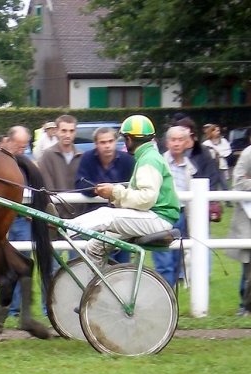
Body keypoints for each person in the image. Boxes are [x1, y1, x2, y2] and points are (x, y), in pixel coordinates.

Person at [68, 115, 180, 269]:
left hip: (157, 218)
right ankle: (98, 288)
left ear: (129, 139)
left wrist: (114, 192)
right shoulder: (148, 157)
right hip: (154, 217)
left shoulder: (149, 160)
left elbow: (146, 198)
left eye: (124, 138)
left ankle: (64, 228)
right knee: (95, 246)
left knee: (106, 215)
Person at [75, 127, 136, 264]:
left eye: (110, 141)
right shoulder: (87, 158)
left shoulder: (128, 161)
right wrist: (97, 190)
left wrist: (114, 192)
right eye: (103, 142)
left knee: (122, 264)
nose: (107, 145)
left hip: (122, 220)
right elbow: (79, 183)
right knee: (96, 262)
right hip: (95, 219)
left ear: (116, 142)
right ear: (96, 144)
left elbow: (134, 186)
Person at [152, 126, 196, 288]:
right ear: (167, 142)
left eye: (180, 140)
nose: (176, 143)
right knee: (164, 261)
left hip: (182, 216)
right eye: (173, 139)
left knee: (178, 260)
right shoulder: (159, 163)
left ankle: (171, 298)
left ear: (186, 143)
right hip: (162, 214)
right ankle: (165, 299)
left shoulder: (190, 167)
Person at [2, 126, 34, 316]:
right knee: (6, 264)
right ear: (9, 141)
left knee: (20, 261)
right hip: (6, 219)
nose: (22, 150)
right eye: (19, 146)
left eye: (25, 146)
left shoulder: (27, 163)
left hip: (22, 220)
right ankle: (13, 309)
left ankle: (19, 309)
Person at [37, 114, 86, 219]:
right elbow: (47, 188)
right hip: (55, 218)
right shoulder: (47, 156)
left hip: (80, 218)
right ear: (57, 131)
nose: (68, 135)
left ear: (75, 132)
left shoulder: (83, 157)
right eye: (64, 130)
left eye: (71, 131)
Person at [226, 144, 251, 316]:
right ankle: (245, 305)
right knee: (248, 264)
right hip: (247, 217)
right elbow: (238, 182)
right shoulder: (248, 154)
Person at [203, 123, 232, 197]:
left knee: (224, 183)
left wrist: (219, 153)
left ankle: (227, 200)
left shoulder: (224, 141)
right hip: (211, 167)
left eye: (218, 131)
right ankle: (213, 200)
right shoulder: (206, 143)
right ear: (211, 132)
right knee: (212, 184)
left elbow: (228, 151)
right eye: (216, 131)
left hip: (221, 166)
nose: (218, 132)